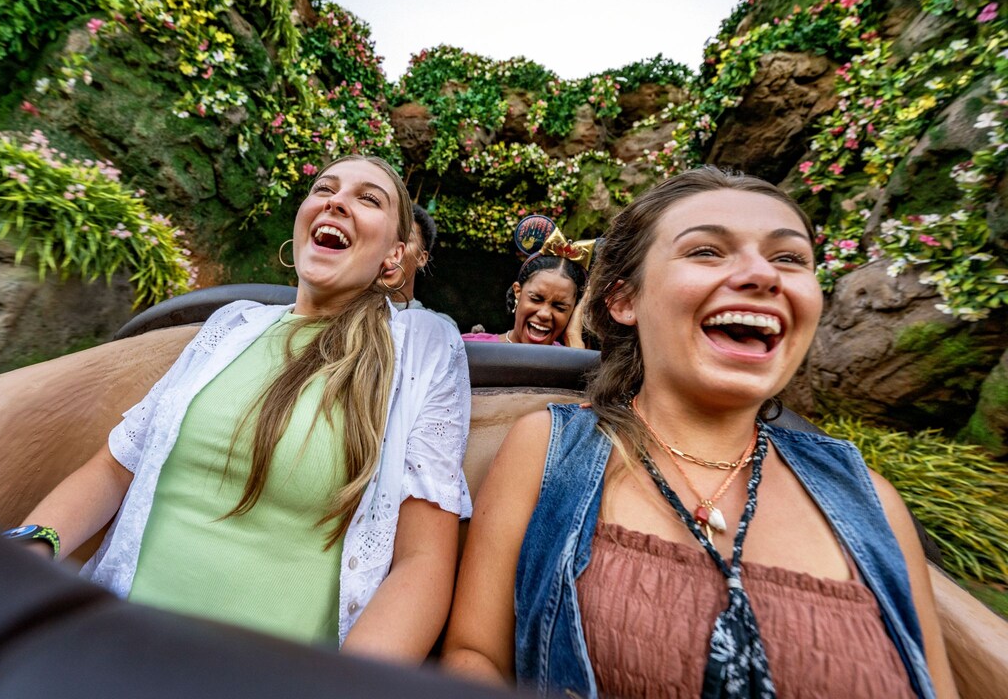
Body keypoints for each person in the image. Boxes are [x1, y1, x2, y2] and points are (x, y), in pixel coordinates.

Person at [442, 167, 957, 698]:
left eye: (789, 258)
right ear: (624, 301)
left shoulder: (871, 498)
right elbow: (475, 653)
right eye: (708, 251)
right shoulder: (548, 449)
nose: (764, 276)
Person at [8, 155, 471, 664]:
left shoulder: (424, 346)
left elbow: (422, 563)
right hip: (107, 646)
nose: (336, 201)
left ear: (394, 256)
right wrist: (32, 546)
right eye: (325, 189)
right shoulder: (232, 325)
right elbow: (115, 468)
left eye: (368, 198)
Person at [461, 254, 586, 347]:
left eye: (560, 308)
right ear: (518, 292)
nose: (544, 314)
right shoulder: (469, 348)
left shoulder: (567, 359)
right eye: (536, 299)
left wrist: (573, 335)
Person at [382, 205, 459, 329]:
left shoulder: (441, 327)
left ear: (422, 258)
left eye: (405, 240)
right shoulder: (344, 314)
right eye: (386, 238)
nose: (393, 249)